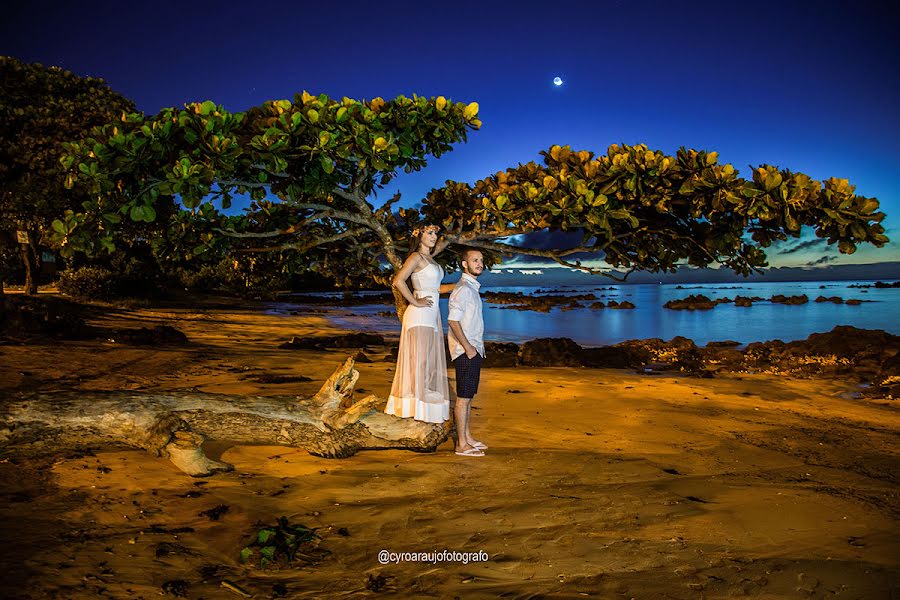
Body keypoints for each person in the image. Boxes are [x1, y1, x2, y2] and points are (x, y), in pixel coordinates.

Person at [384, 225, 456, 423]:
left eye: (435, 233)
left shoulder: (430, 259)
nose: (434, 236)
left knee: (425, 361)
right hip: (420, 315)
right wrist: (415, 301)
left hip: (431, 316)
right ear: (419, 236)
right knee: (420, 361)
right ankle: (415, 407)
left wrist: (460, 285)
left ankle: (418, 405)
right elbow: (398, 280)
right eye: (430, 233)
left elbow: (436, 289)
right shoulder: (416, 256)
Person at [447, 248, 487, 457]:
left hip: (473, 348)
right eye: (474, 260)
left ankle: (467, 437)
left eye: (481, 260)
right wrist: (469, 348)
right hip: (466, 351)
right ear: (465, 264)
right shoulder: (463, 289)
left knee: (468, 396)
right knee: (463, 397)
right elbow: (453, 321)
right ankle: (461, 444)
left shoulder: (471, 288)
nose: (479, 263)